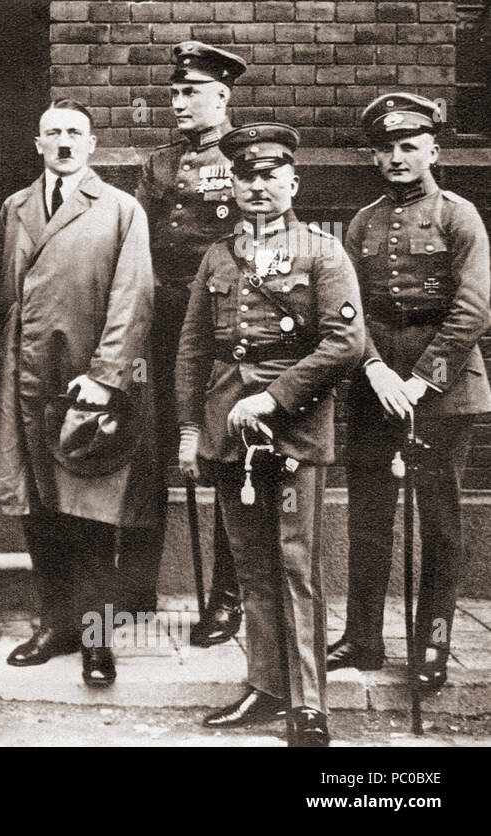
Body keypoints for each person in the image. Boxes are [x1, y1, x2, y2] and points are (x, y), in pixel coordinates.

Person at [0, 98, 158, 686]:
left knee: (92, 511)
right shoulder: (15, 207)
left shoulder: (121, 209)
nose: (64, 142)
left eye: (75, 132)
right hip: (26, 379)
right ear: (38, 143)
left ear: (92, 145)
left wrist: (104, 375)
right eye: (53, 133)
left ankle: (96, 640)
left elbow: (134, 296)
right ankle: (55, 624)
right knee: (40, 508)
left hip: (86, 382)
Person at [176, 123, 365, 746]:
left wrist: (275, 396)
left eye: (269, 176)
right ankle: (265, 687)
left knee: (294, 566)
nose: (257, 186)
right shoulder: (217, 257)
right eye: (245, 176)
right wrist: (188, 428)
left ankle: (309, 704)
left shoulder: (322, 253)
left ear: (292, 182)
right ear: (231, 184)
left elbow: (345, 343)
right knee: (254, 569)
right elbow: (193, 349)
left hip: (293, 434)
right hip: (229, 431)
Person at [329, 93, 491, 693]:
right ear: (374, 156)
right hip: (377, 389)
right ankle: (363, 637)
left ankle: (434, 646)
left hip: (444, 393)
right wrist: (372, 367)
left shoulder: (459, 215)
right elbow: (347, 311)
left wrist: (422, 378)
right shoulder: (362, 223)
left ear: (432, 150)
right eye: (385, 148)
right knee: (369, 519)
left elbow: (473, 306)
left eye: (407, 146)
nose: (396, 158)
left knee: (441, 523)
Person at [130, 41, 247, 646]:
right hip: (162, 322)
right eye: (175, 92)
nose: (178, 102)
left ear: (222, 96)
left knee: (224, 452)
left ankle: (228, 599)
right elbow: (140, 249)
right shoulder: (157, 164)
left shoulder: (248, 158)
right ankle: (135, 590)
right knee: (149, 454)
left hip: (224, 329)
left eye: (191, 92)